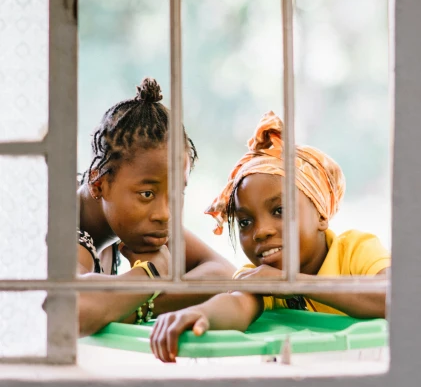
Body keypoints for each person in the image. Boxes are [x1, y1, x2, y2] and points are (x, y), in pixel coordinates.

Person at [149, 111, 390, 362]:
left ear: (321, 215)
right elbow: (237, 305)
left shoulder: (356, 249)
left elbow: (396, 297)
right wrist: (201, 315)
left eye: (279, 211)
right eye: (245, 222)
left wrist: (293, 282)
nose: (261, 231)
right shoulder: (261, 276)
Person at [77, 77, 235, 336]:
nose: (165, 214)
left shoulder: (133, 219)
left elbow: (224, 273)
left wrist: (134, 302)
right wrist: (151, 274)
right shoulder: (61, 222)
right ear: (98, 182)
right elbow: (73, 310)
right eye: (147, 193)